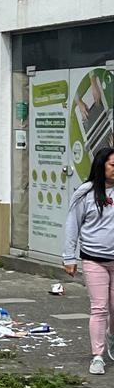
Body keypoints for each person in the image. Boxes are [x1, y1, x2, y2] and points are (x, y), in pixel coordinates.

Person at [64, 147, 114, 375]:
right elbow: (72, 224)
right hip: (94, 259)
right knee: (100, 307)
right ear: (101, 166)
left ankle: (110, 339)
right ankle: (97, 356)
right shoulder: (86, 193)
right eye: (113, 165)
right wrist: (69, 256)